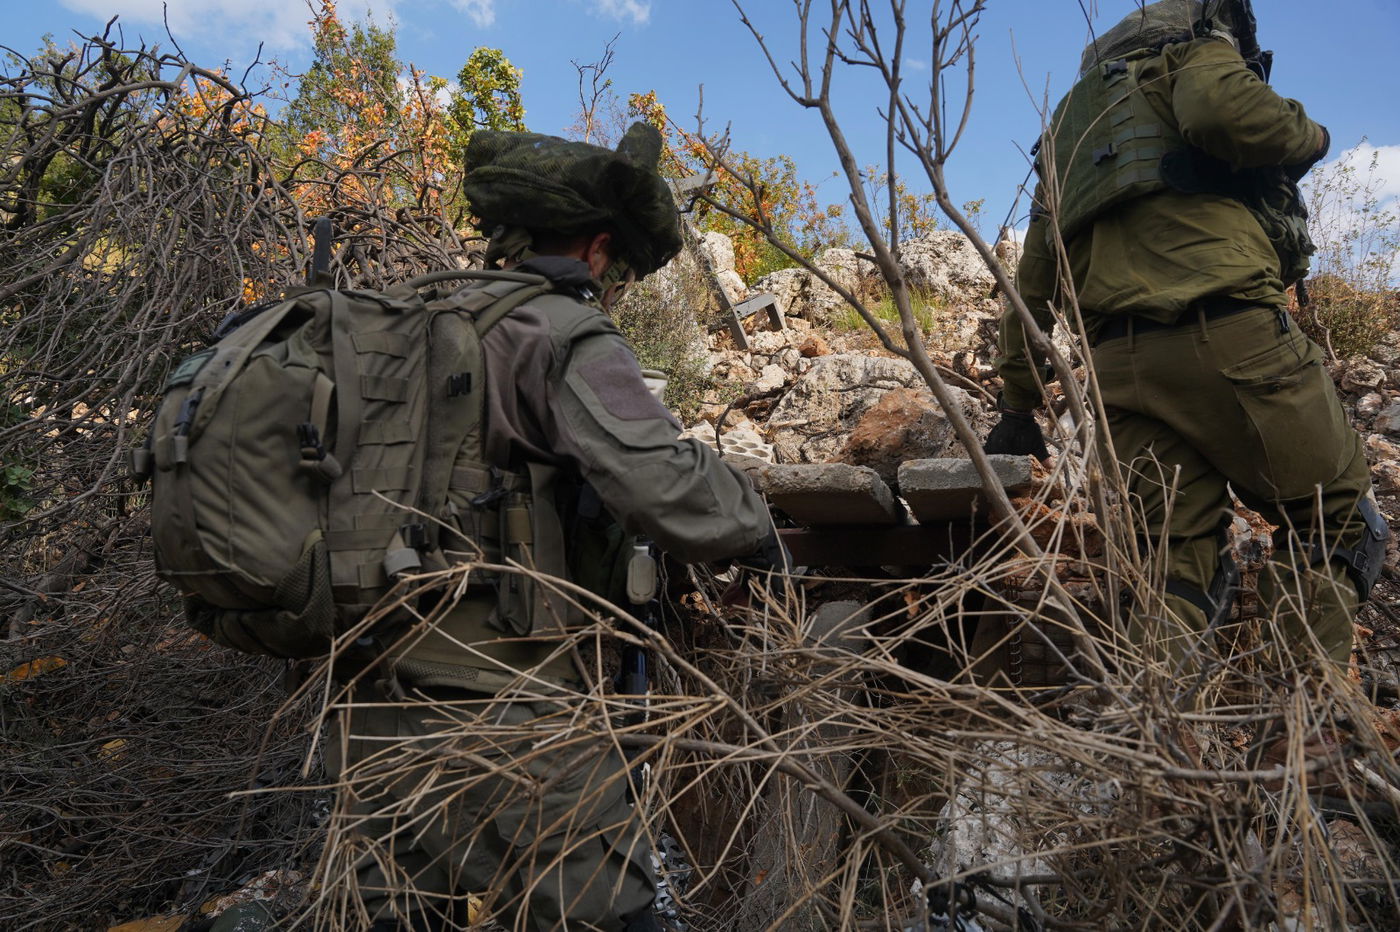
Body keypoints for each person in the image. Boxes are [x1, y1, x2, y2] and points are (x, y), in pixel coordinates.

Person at [326, 123, 780, 931]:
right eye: (626, 274)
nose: (620, 291)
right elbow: (660, 481)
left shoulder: (408, 318)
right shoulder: (558, 327)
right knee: (612, 917)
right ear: (599, 250)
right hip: (511, 714)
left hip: (369, 705)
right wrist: (753, 524)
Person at [987, 0, 1388, 667]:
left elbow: (1032, 283)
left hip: (1119, 370)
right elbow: (1221, 112)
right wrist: (1311, 136)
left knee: (1175, 563)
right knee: (1339, 518)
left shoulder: (1071, 140)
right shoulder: (1190, 54)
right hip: (1229, 336)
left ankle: (1164, 739)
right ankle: (1304, 729)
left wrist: (1018, 404)